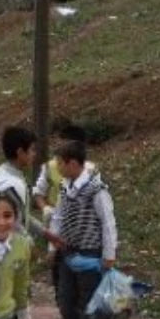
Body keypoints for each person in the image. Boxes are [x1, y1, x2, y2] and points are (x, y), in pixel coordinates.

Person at [50, 141, 119, 319]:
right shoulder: (65, 186)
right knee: (64, 296)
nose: (57, 167)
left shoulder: (96, 190)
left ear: (72, 163)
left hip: (89, 252)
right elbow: (58, 217)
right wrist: (53, 245)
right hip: (67, 250)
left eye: (59, 163)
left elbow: (108, 223)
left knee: (86, 300)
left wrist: (109, 255)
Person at [33, 126, 96, 306]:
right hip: (58, 226)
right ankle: (65, 305)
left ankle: (78, 308)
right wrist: (45, 208)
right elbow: (39, 193)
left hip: (84, 233)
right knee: (60, 268)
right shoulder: (50, 167)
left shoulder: (92, 172)